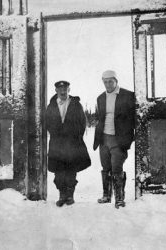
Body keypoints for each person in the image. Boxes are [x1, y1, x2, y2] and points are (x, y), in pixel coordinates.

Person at [93, 70, 135, 208]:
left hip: (119, 140)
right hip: (104, 139)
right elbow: (100, 118)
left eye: (110, 81)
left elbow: (134, 119)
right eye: (105, 82)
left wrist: (128, 139)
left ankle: (119, 198)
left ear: (116, 81)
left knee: (117, 168)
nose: (108, 84)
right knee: (106, 168)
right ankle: (106, 195)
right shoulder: (100, 98)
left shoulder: (128, 95)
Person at [46, 80, 91, 207]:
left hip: (72, 143)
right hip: (57, 144)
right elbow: (47, 122)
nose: (62, 92)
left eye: (65, 89)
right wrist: (56, 134)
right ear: (56, 91)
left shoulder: (76, 104)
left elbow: (83, 122)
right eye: (60, 90)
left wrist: (76, 137)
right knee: (59, 170)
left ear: (68, 90)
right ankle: (62, 195)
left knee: (71, 169)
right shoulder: (51, 106)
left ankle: (70, 195)